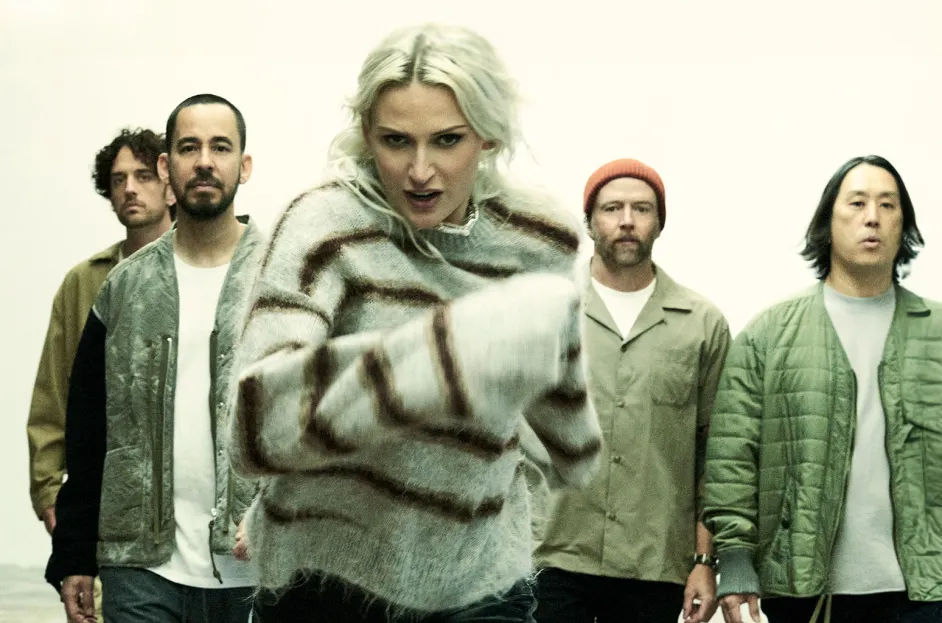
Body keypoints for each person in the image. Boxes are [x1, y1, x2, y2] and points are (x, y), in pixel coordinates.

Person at [228, 22, 604, 623]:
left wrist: (570, 440)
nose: (420, 170)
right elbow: (257, 426)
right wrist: (441, 359)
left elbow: (560, 412)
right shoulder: (324, 225)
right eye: (396, 141)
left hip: (478, 577)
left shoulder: (539, 239)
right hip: (326, 573)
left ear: (487, 134)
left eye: (447, 140)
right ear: (366, 133)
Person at [45, 94, 263, 623]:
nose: (204, 161)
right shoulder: (123, 287)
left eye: (220, 147)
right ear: (167, 167)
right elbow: (87, 430)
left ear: (244, 166)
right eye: (189, 148)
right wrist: (74, 554)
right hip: (139, 568)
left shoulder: (282, 275)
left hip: (259, 568)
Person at [703, 155, 942, 623]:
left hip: (926, 591)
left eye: (887, 205)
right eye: (857, 203)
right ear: (826, 224)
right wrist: (735, 560)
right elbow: (732, 456)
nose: (872, 217)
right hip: (803, 588)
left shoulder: (935, 331)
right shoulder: (770, 333)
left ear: (904, 226)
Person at [532, 158, 730, 623]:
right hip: (551, 553)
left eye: (641, 209)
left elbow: (717, 455)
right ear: (589, 222)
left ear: (659, 223)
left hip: (653, 563)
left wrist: (705, 561)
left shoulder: (701, 325)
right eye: (612, 208)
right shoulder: (543, 308)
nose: (626, 220)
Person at [27, 127, 174, 621]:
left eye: (143, 175)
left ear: (170, 183)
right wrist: (51, 498)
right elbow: (52, 398)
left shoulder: (208, 269)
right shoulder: (85, 282)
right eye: (117, 180)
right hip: (104, 509)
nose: (129, 188)